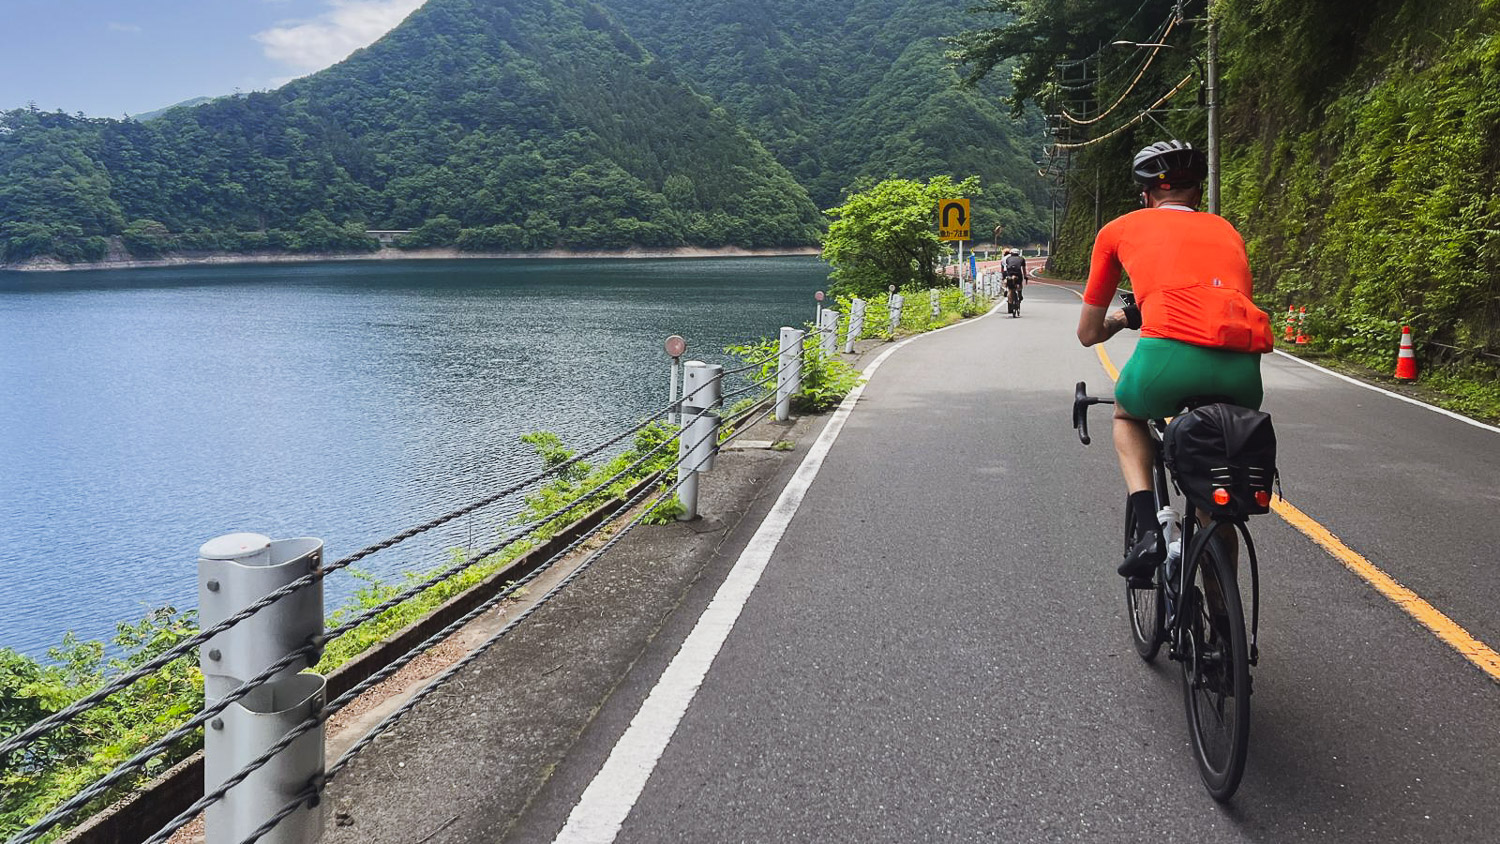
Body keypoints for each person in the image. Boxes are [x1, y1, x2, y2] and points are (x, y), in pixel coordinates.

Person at [1074, 140, 1275, 580]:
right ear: (1198, 193)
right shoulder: (1227, 230)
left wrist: (1123, 318)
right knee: (1215, 485)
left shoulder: (1120, 229)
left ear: (1144, 194)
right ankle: (1225, 626)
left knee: (1128, 415)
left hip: (1167, 358)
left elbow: (1089, 334)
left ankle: (1149, 529)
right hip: (1242, 369)